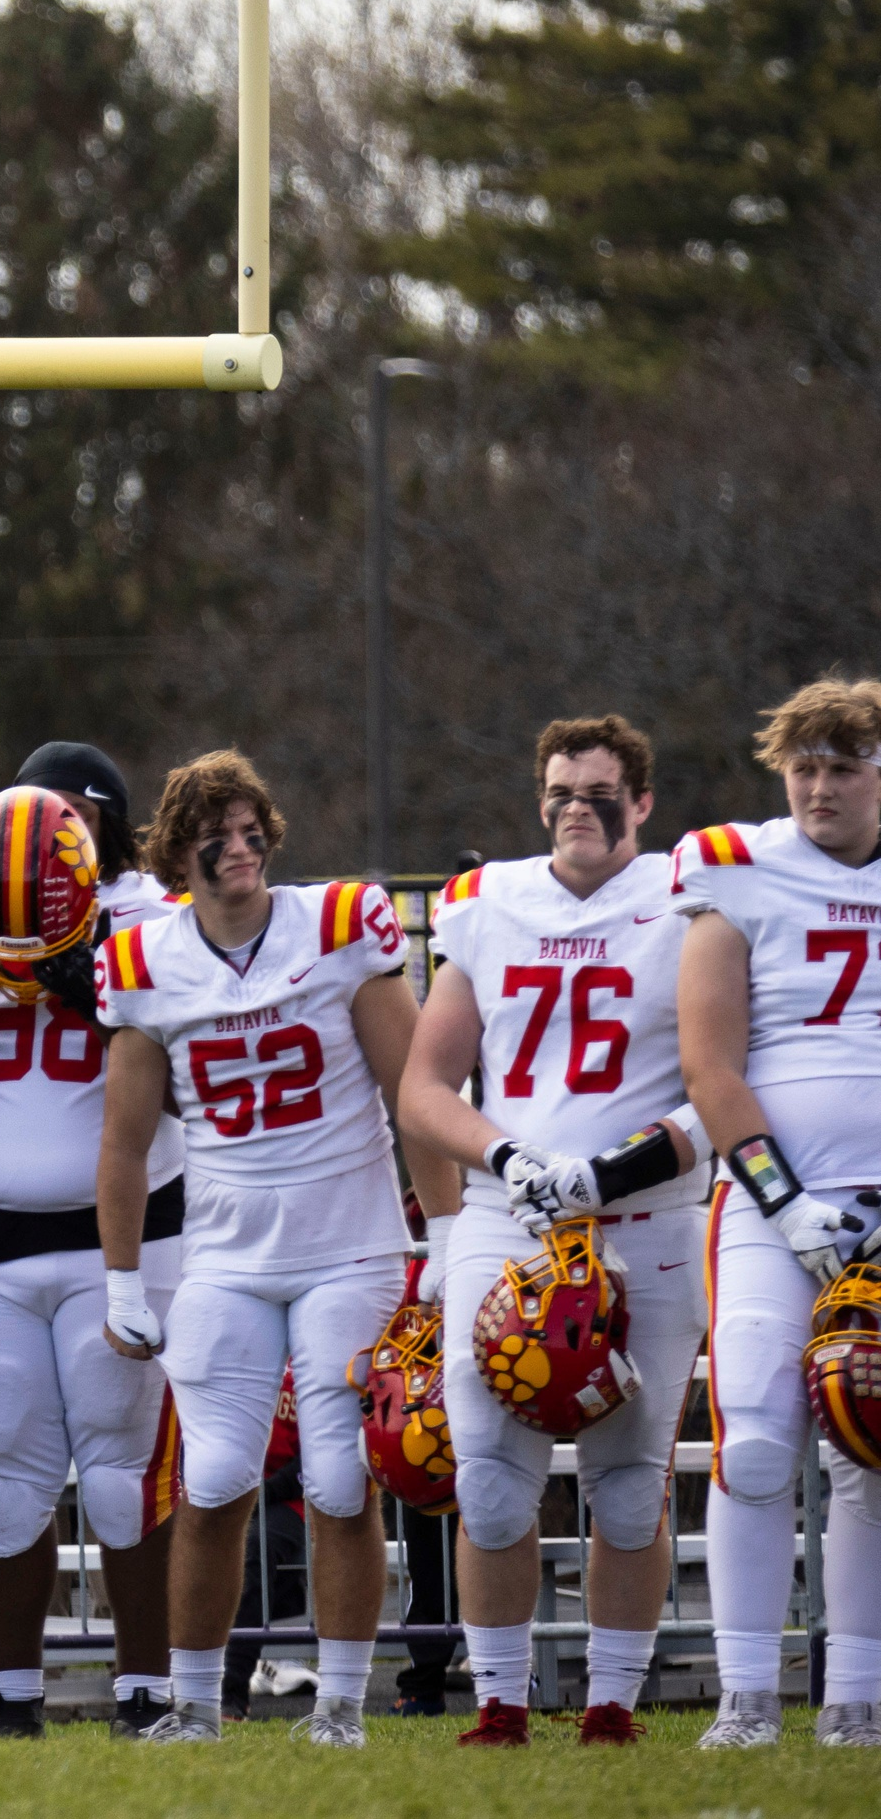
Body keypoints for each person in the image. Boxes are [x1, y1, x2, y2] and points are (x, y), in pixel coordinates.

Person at [95, 748, 419, 1747]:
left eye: (248, 829)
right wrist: (117, 1274)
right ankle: (194, 1705)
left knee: (334, 1476)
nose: (237, 847)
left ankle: (339, 1704)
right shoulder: (146, 961)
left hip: (348, 1242)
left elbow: (411, 1090)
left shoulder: (335, 926)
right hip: (225, 1252)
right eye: (214, 832)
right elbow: (123, 1138)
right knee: (214, 1476)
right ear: (173, 852)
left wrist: (441, 1234)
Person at [391, 717, 706, 1747]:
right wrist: (508, 1157)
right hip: (509, 1212)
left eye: (601, 788)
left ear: (642, 801)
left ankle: (613, 1702)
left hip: (644, 1215)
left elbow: (724, 1080)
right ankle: (498, 1701)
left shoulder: (688, 892)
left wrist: (618, 1165)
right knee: (484, 1469)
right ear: (537, 798)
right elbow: (423, 1084)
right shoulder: (486, 902)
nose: (579, 804)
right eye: (562, 787)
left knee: (628, 1479)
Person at [0, 740, 183, 1739]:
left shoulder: (148, 923)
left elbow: (191, 1088)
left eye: (68, 817)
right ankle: (8, 1698)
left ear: (103, 827)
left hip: (127, 1232)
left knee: (121, 1468)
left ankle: (145, 1690)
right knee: (3, 1474)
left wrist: (99, 998)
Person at [673, 675, 881, 1751]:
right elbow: (707, 1067)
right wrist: (785, 1197)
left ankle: (857, 1691)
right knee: (752, 1438)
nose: (819, 783)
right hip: (767, 1206)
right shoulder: (740, 872)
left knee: (870, 1447)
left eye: (843, 761)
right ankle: (743, 1690)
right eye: (804, 762)